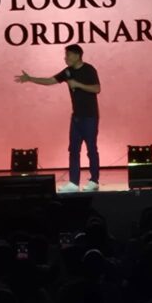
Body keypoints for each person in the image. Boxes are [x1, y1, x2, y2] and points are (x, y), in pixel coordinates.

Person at [15, 44, 101, 192]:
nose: (65, 58)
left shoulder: (89, 69)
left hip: (90, 116)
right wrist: (30, 79)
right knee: (73, 150)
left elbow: (97, 88)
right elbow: (50, 81)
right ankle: (73, 183)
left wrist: (77, 84)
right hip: (76, 117)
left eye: (68, 55)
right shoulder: (67, 71)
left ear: (77, 55)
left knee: (91, 149)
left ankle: (94, 180)